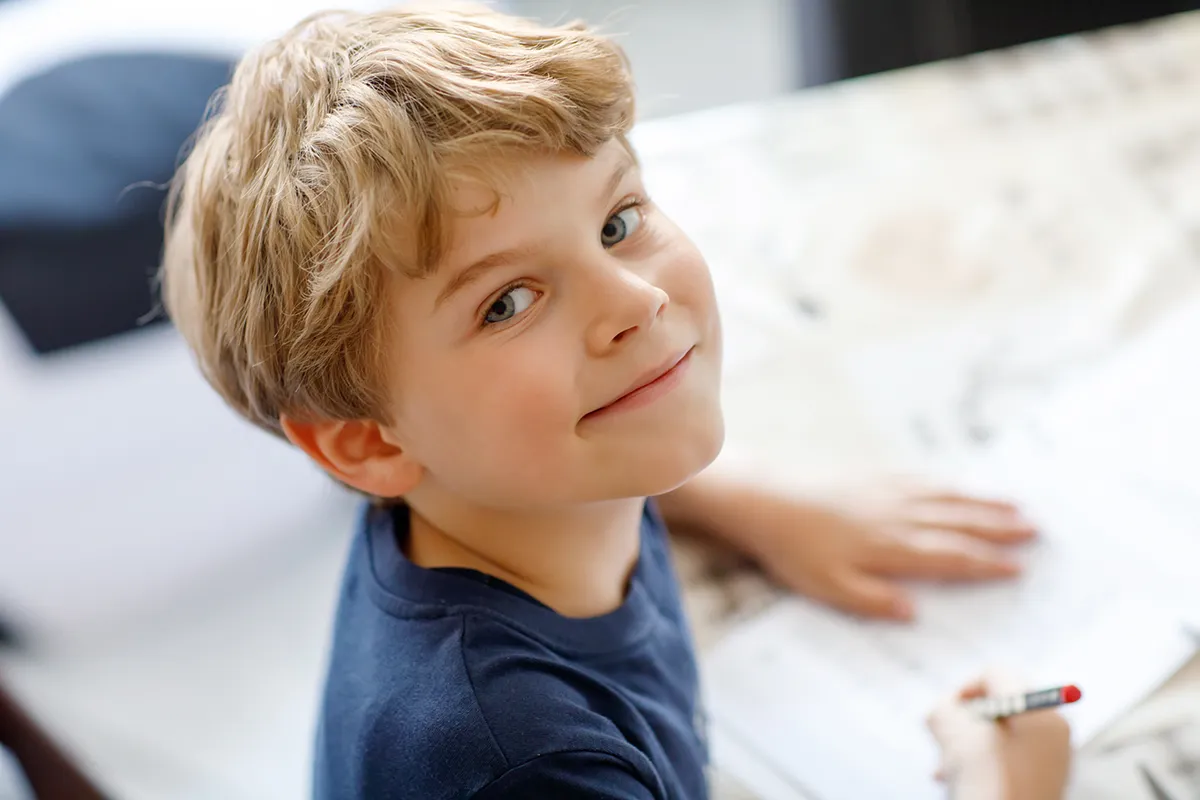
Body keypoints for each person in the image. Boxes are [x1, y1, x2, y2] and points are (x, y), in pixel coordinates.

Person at [159, 4, 1073, 798]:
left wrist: (759, 506)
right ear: (364, 444)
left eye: (618, 222)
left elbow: (537, 446)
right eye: (508, 302)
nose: (634, 302)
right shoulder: (521, 763)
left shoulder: (497, 486)